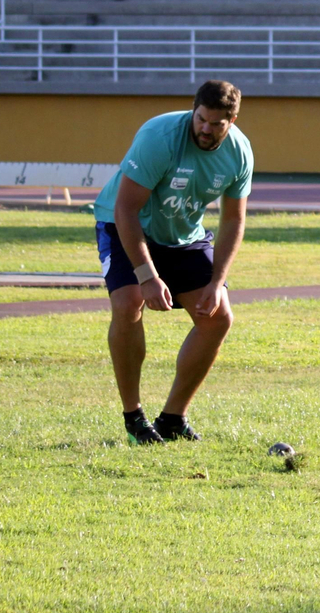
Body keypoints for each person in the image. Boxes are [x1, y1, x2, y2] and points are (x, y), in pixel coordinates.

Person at [92, 80, 254, 444]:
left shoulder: (240, 153)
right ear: (193, 110)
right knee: (129, 302)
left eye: (216, 123)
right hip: (126, 224)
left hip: (183, 235)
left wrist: (217, 282)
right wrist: (147, 276)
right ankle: (134, 418)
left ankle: (173, 418)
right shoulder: (160, 137)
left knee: (218, 317)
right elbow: (125, 209)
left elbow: (233, 219)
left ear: (232, 121)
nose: (205, 129)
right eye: (200, 119)